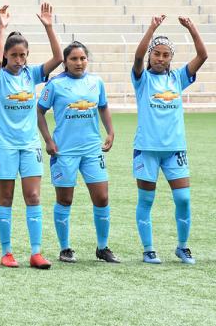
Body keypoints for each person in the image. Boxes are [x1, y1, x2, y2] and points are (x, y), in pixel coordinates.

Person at [0, 3, 62, 269]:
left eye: (23, 55)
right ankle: (7, 252)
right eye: (14, 55)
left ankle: (36, 252)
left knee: (33, 197)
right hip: (3, 145)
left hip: (29, 145)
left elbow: (58, 57)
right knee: (6, 197)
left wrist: (49, 26)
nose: (19, 60)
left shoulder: (32, 74)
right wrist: (2, 28)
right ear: (7, 55)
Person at [132, 15, 208, 265]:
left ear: (171, 59)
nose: (161, 58)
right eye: (157, 54)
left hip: (175, 149)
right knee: (146, 200)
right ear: (151, 55)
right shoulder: (142, 79)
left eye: (166, 55)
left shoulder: (177, 78)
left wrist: (192, 28)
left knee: (183, 198)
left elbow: (203, 56)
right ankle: (148, 248)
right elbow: (137, 57)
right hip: (147, 149)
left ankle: (183, 247)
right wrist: (151, 28)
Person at [37, 41, 120, 264]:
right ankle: (65, 249)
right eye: (73, 59)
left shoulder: (96, 82)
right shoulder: (55, 84)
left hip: (92, 149)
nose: (79, 62)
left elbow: (103, 107)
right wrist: (48, 140)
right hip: (64, 151)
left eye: (82, 58)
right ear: (64, 62)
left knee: (102, 198)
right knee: (65, 199)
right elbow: (40, 111)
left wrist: (110, 132)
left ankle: (102, 248)